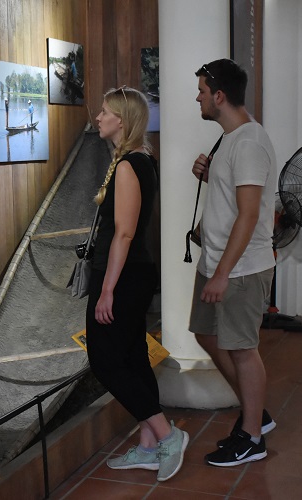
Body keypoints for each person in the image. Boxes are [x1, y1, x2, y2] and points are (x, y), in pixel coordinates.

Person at [86, 86, 188, 482]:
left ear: (122, 121)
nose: (98, 117)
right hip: (134, 273)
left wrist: (107, 289)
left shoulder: (129, 165)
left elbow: (124, 233)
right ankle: (148, 446)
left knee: (105, 360)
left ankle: (166, 436)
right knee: (132, 357)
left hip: (123, 276)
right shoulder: (142, 159)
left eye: (105, 111)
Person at [189, 59, 278, 467]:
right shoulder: (231, 138)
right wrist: (211, 176)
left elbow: (249, 214)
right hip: (216, 262)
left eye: (203, 92)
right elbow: (237, 197)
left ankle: (253, 437)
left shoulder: (249, 142)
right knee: (206, 334)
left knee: (242, 349)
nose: (198, 98)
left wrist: (223, 274)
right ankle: (256, 412)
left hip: (240, 269)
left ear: (220, 96)